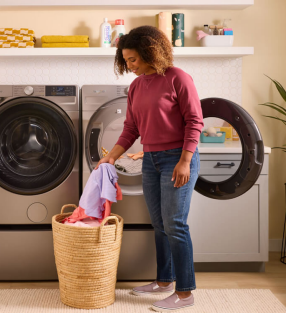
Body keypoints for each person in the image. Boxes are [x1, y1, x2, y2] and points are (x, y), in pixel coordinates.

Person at [95, 25, 204, 311]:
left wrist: (184, 160)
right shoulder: (136, 86)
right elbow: (131, 128)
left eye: (133, 59)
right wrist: (112, 157)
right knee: (159, 224)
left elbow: (195, 121)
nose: (129, 65)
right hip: (151, 160)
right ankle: (164, 280)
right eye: (125, 60)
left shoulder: (177, 78)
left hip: (178, 159)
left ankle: (185, 293)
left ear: (149, 52)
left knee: (175, 225)